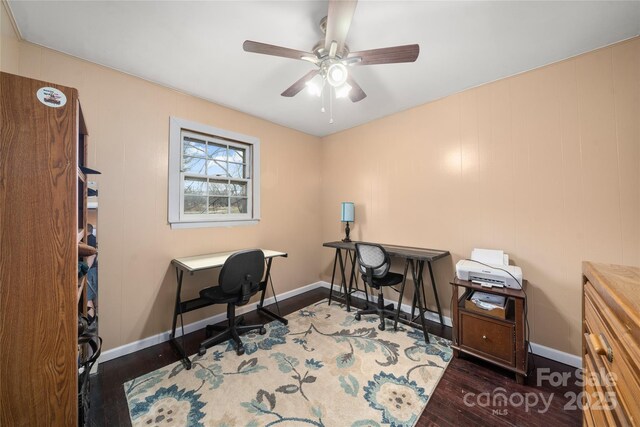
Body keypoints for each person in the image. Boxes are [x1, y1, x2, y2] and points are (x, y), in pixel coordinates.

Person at [86, 224, 98, 325]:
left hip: (90, 272)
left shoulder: (89, 240)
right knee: (90, 297)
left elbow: (92, 255)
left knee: (88, 298)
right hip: (92, 271)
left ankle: (90, 323)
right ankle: (91, 320)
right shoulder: (93, 238)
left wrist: (85, 269)